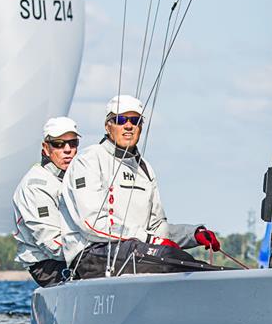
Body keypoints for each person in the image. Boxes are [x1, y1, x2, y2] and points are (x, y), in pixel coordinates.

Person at [60, 94, 221, 279]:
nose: (128, 125)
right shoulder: (88, 161)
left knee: (185, 263)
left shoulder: (144, 168)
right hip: (92, 254)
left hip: (137, 252)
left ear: (141, 126)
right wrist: (150, 240)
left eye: (135, 120)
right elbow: (92, 224)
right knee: (172, 260)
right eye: (120, 120)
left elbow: (157, 227)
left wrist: (192, 234)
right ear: (108, 126)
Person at [12, 117, 81, 287]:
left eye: (73, 143)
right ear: (46, 148)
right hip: (48, 264)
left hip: (72, 254)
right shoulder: (36, 185)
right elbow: (52, 244)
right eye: (59, 144)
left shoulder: (73, 179)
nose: (68, 150)